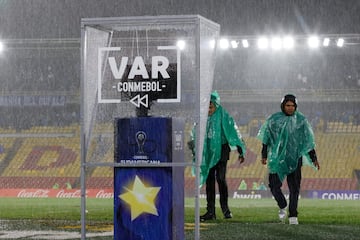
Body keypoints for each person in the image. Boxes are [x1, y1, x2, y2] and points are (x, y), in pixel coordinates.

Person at [257, 94, 320, 225]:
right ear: (283, 106)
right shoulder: (274, 120)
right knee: (274, 186)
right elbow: (266, 139)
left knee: (294, 188)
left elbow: (307, 141)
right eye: (288, 105)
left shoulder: (301, 120)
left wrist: (313, 157)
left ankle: (293, 215)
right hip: (277, 159)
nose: (290, 108)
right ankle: (282, 204)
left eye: (293, 106)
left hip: (295, 158)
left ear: (296, 107)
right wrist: (264, 154)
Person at [188, 91, 246, 221]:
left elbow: (233, 133)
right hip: (207, 152)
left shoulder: (223, 116)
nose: (209, 110)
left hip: (221, 150)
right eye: (207, 107)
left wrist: (240, 150)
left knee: (220, 178)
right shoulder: (201, 117)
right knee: (209, 181)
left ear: (216, 105)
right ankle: (210, 212)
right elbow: (194, 134)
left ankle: (225, 210)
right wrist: (193, 149)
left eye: (211, 107)